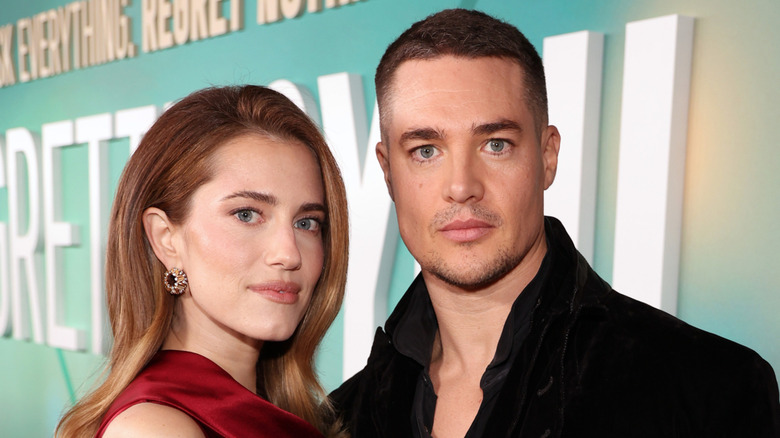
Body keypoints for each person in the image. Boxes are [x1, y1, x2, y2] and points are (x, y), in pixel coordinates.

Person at [330, 8, 780, 437]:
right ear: (388, 173)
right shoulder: (339, 421)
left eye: (496, 145)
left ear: (548, 156)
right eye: (426, 151)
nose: (462, 186)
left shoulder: (707, 390)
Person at [56, 85, 349, 437]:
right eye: (246, 214)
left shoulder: (284, 411)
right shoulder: (155, 428)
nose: (288, 253)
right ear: (166, 239)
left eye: (306, 223)